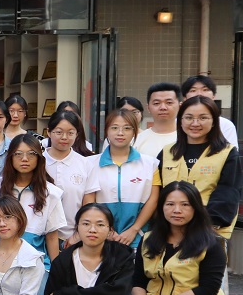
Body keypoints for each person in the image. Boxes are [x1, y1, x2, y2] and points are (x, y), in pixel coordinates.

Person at [154, 96, 240, 241]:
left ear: (214, 121)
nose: (195, 123)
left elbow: (228, 191)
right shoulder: (167, 152)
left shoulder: (227, 153)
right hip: (168, 230)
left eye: (203, 118)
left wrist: (208, 224)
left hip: (208, 230)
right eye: (189, 118)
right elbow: (157, 191)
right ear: (180, 121)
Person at [0, 133, 66, 269]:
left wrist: (56, 272)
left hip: (34, 263)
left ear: (39, 158)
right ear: (10, 157)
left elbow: (52, 236)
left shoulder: (51, 193)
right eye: (18, 154)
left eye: (31, 154)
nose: (24, 159)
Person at [97, 108, 158, 248]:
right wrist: (107, 229)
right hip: (101, 237)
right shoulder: (90, 163)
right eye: (114, 128)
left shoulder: (150, 164)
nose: (120, 133)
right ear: (106, 131)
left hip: (138, 237)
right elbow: (89, 200)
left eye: (127, 128)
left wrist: (134, 229)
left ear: (134, 132)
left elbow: (153, 199)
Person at [43, 110, 98, 248]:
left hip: (73, 238)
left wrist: (78, 234)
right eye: (59, 132)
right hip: (40, 237)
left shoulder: (85, 164)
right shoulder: (38, 162)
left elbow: (88, 204)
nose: (64, 137)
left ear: (77, 134)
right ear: (48, 132)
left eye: (70, 133)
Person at [181, 75, 237, 146]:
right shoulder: (174, 123)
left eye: (205, 90)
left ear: (213, 96)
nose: (199, 94)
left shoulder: (226, 125)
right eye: (193, 90)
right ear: (185, 98)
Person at [134, 82, 181, 159]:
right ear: (148, 108)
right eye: (156, 103)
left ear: (180, 106)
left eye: (169, 103)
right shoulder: (136, 141)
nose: (163, 107)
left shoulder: (189, 138)